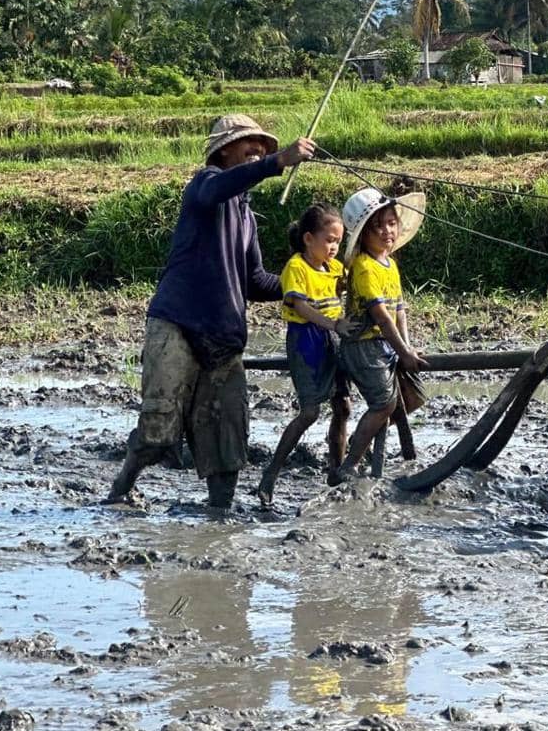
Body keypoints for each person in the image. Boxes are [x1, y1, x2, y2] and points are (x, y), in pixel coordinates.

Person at [106, 113, 315, 509]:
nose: (258, 150)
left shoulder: (247, 217)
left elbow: (254, 281)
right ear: (223, 151)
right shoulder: (204, 186)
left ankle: (219, 513)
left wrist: (305, 284)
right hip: (179, 324)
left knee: (227, 438)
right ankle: (121, 488)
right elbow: (215, 190)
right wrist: (277, 162)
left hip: (223, 334)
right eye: (249, 144)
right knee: (159, 432)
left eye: (263, 147)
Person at [256, 202, 359, 508]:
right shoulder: (296, 268)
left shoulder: (335, 268)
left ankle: (335, 471)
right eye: (329, 240)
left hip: (334, 338)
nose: (334, 247)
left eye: (338, 242)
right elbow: (301, 308)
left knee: (343, 405)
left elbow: (347, 287)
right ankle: (270, 474)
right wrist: (334, 324)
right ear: (308, 239)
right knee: (310, 412)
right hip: (307, 341)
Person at [329, 187, 427, 485]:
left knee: (405, 399)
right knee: (383, 404)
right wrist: (404, 351)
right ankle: (350, 465)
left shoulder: (389, 264)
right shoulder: (363, 267)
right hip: (363, 346)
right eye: (378, 226)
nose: (387, 230)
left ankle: (371, 449)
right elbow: (382, 316)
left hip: (385, 345)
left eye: (391, 223)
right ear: (363, 235)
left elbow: (399, 311)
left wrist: (405, 347)